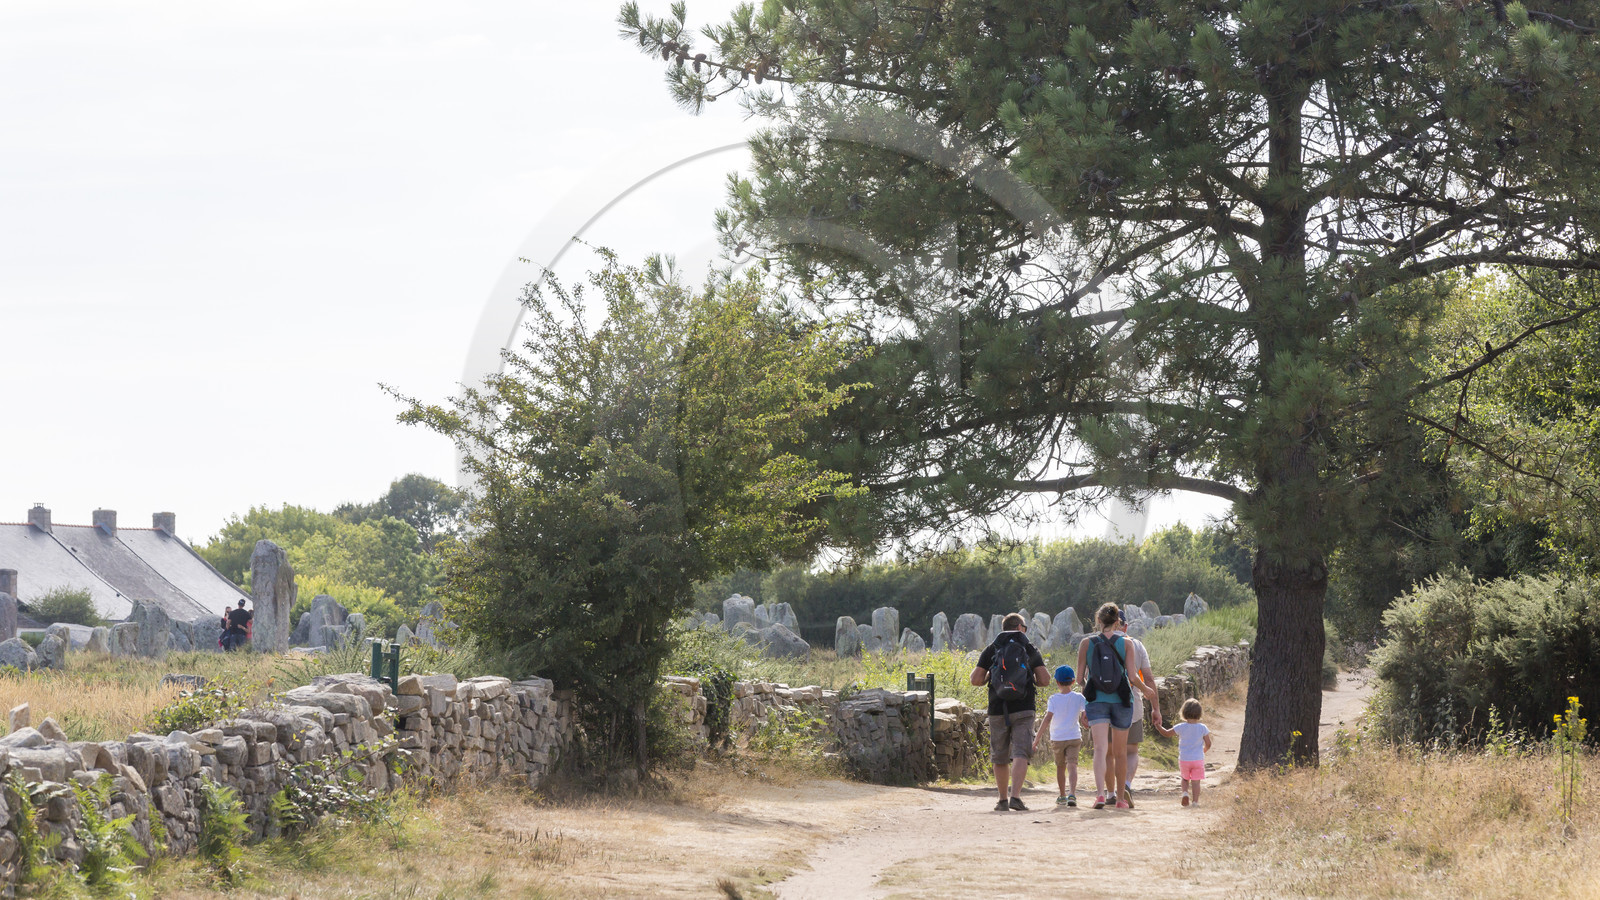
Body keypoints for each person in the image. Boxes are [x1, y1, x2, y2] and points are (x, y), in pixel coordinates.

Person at [971, 612, 1050, 811]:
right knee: (1021, 753)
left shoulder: (992, 648)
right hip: (1024, 708)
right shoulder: (1028, 647)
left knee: (1000, 755)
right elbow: (1045, 680)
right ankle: (1016, 796)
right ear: (1020, 628)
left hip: (998, 708)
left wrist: (992, 674)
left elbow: (976, 680)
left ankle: (1002, 800)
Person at [1076, 602, 1135, 809]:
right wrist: (1147, 691)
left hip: (1096, 701)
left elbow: (1079, 679)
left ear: (1098, 620)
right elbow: (1133, 677)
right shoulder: (1127, 643)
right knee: (1120, 753)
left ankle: (1101, 795)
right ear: (1118, 621)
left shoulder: (1086, 643)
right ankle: (1120, 800)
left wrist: (1086, 701)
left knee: (1100, 749)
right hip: (1121, 701)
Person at [1116, 609, 1162, 809]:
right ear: (1125, 626)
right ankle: (1125, 785)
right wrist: (1155, 708)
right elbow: (1149, 679)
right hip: (1131, 703)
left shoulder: (1095, 643)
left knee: (1109, 751)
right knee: (1131, 750)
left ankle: (1110, 792)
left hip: (1104, 705)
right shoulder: (1136, 644)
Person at [1031, 664, 1088, 806]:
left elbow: (1047, 719)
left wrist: (1036, 739)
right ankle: (1072, 794)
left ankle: (1062, 795)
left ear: (1056, 682)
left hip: (1057, 738)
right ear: (1073, 681)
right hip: (1074, 737)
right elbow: (1086, 713)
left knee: (1060, 767)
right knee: (1072, 765)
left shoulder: (1053, 699)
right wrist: (1085, 720)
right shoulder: (1079, 697)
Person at [1152, 698, 1213, 806]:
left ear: (1184, 712)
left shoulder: (1181, 727)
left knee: (1185, 779)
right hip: (1198, 759)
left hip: (1184, 759)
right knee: (1196, 781)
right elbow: (1208, 743)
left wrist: (1158, 726)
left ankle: (1185, 793)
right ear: (1199, 713)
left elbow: (1166, 733)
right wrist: (1204, 750)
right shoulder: (1202, 727)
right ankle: (1195, 802)